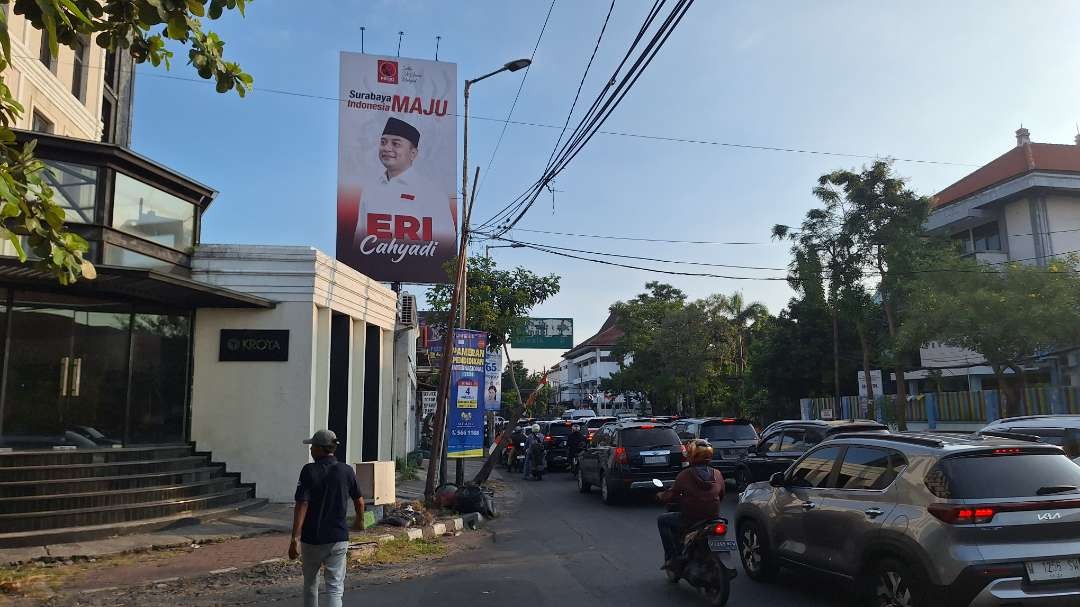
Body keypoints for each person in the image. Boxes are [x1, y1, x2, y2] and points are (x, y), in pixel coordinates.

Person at [352, 116, 457, 249]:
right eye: (383, 142)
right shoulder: (370, 190)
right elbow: (359, 239)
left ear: (413, 153)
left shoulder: (432, 193)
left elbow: (448, 242)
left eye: (395, 144)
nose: (387, 148)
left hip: (420, 267)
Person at [290, 429, 365, 607]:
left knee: (310, 584)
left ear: (319, 448)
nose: (310, 450)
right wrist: (359, 521)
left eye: (312, 446)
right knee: (334, 587)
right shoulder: (346, 471)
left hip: (311, 539)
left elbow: (302, 504)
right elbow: (360, 501)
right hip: (337, 538)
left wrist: (295, 537)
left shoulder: (308, 471)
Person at [656, 439, 725, 566]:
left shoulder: (684, 475)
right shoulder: (718, 474)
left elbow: (671, 495)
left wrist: (661, 495)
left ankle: (672, 557)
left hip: (691, 519)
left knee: (662, 520)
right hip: (713, 518)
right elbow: (721, 495)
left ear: (692, 455)